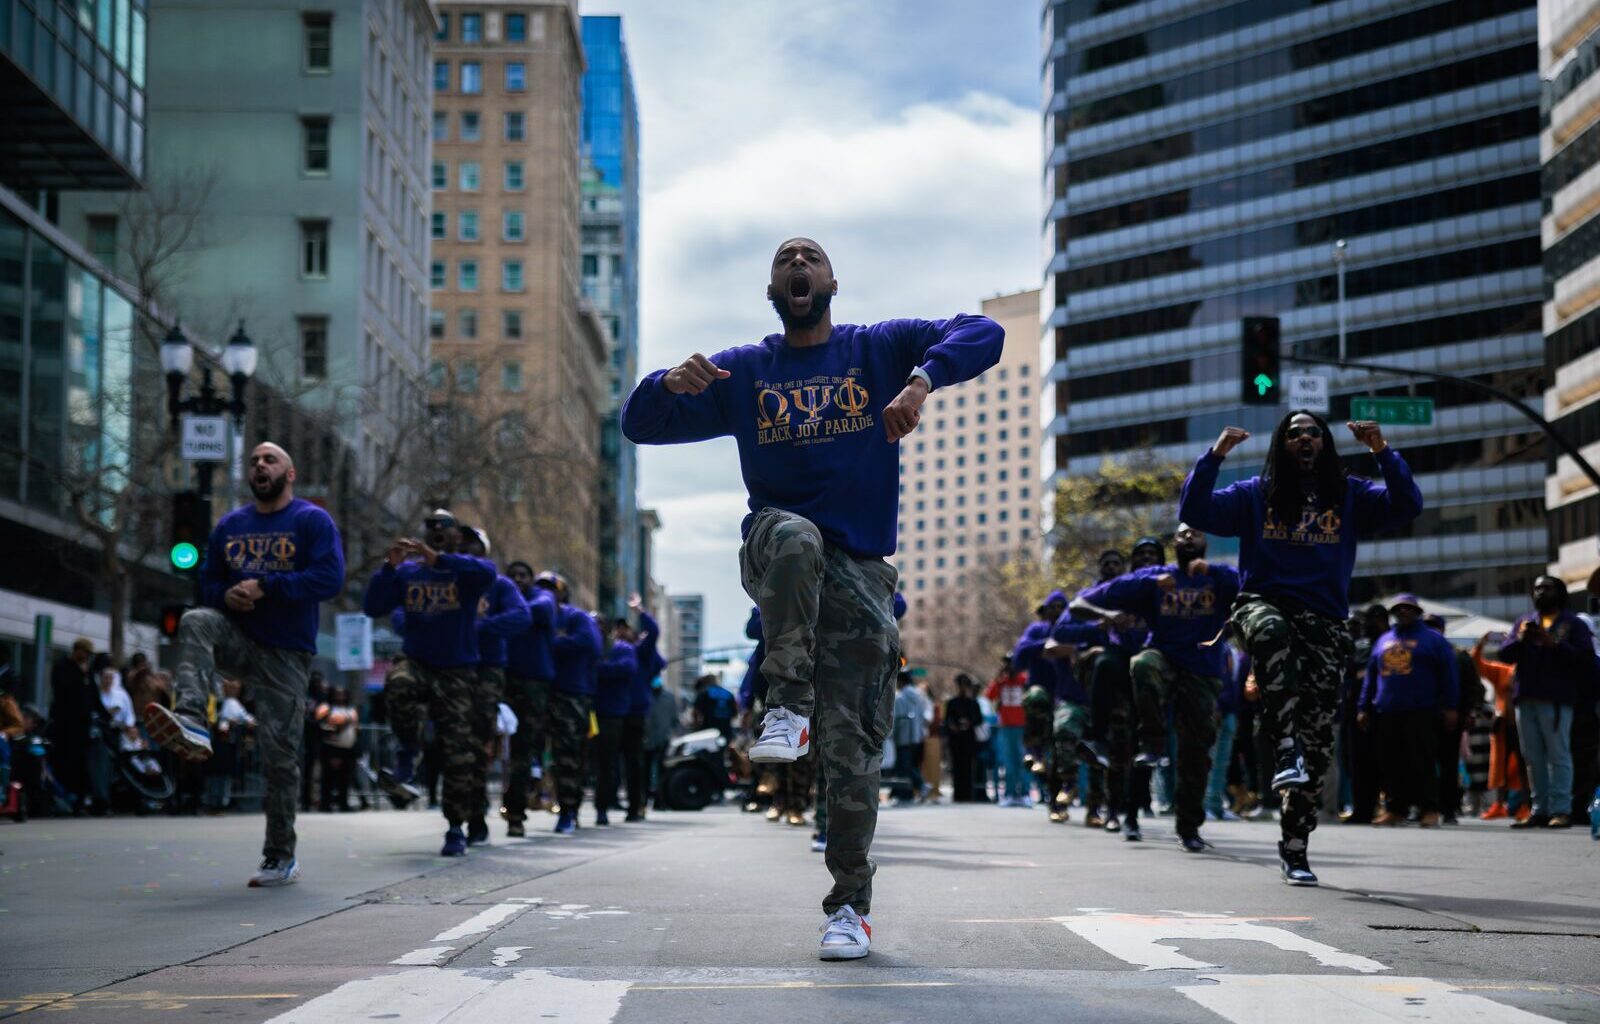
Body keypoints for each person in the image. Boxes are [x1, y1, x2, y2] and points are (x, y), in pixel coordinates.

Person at [621, 235, 1002, 960]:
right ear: (772, 288)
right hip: (778, 544)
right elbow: (640, 426)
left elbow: (984, 333)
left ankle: (850, 909)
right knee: (796, 536)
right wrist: (666, 384)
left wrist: (922, 382)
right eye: (784, 259)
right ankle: (786, 703)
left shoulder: (878, 348)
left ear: (832, 280)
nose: (797, 264)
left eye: (811, 257)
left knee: (854, 753)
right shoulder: (746, 371)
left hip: (861, 572)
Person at [1179, 412, 1422, 886]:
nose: (1304, 439)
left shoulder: (1349, 493)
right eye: (1293, 433)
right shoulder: (1254, 493)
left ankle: (1295, 847)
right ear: (1281, 446)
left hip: (1326, 622)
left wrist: (1381, 449)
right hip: (1262, 604)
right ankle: (1283, 743)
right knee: (1269, 632)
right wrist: (1215, 456)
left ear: (1325, 444)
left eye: (1312, 432)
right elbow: (1195, 509)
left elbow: (1407, 503)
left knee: (1318, 744)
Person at [144, 442, 345, 887]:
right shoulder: (231, 525)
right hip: (237, 637)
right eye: (254, 460)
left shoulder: (311, 520)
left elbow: (330, 578)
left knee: (279, 757)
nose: (260, 465)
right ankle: (193, 718)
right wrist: (225, 595)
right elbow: (208, 581)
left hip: (286, 651)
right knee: (197, 619)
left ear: (289, 473)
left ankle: (279, 856)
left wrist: (267, 587)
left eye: (270, 459)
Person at [362, 508, 495, 855]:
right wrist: (389, 566)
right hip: (418, 661)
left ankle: (455, 826)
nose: (437, 532)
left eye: (445, 528)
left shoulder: (465, 570)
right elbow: (373, 606)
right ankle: (409, 748)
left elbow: (487, 573)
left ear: (457, 538)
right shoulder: (409, 572)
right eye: (431, 528)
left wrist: (439, 559)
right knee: (399, 683)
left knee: (458, 753)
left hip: (457, 671)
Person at [1498, 576, 1596, 829]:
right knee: (1533, 757)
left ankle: (1561, 809)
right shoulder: (1524, 622)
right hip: (1525, 698)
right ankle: (1539, 809)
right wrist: (1520, 639)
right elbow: (1504, 654)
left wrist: (1553, 643)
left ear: (1559, 593)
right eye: (1537, 588)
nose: (1541, 592)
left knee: (1558, 755)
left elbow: (1584, 659)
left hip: (1555, 700)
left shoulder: (1572, 624)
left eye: (1547, 588)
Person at [1357, 595, 1458, 828]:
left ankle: (1429, 808)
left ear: (1417, 611)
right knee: (1392, 763)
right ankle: (1395, 809)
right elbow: (1370, 678)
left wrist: (1451, 707)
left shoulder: (1433, 640)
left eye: (1408, 608)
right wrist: (1363, 707)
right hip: (1388, 710)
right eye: (1398, 609)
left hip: (1421, 710)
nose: (1403, 612)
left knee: (1422, 761)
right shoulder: (1384, 640)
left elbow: (1448, 675)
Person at [459, 526, 531, 844]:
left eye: (474, 546)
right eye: (463, 545)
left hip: (486, 670)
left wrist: (479, 628)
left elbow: (521, 616)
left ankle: (475, 817)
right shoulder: (446, 580)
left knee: (476, 744)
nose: (467, 550)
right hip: (451, 667)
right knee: (452, 744)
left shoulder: (499, 585)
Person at [502, 562, 558, 837]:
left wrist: (503, 615)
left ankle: (515, 814)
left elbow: (543, 609)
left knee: (523, 752)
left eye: (523, 576)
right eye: (512, 576)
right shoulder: (500, 595)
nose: (517, 580)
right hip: (500, 680)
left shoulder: (542, 598)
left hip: (533, 686)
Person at [548, 576, 602, 835]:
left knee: (569, 757)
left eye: (551, 590)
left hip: (571, 696)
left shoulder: (576, 618)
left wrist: (554, 642)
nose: (545, 595)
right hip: (538, 691)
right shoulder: (534, 613)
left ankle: (569, 810)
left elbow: (592, 644)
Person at [1429, 612, 1482, 824]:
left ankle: (1449, 808)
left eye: (1434, 625)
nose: (1431, 630)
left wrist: (1470, 712)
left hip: (1452, 717)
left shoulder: (1458, 655)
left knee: (1449, 764)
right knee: (1425, 764)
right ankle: (1427, 806)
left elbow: (1473, 687)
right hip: (1425, 717)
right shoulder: (1420, 653)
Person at [1472, 632, 1528, 821]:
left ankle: (1526, 805)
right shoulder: (1502, 670)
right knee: (1500, 767)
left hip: (1524, 725)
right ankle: (1499, 805)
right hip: (1504, 726)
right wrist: (1481, 643)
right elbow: (1477, 663)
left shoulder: (1531, 668)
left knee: (1524, 766)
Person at [1341, 604, 1388, 824]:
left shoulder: (1386, 643)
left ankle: (1380, 806)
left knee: (1378, 760)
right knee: (1356, 761)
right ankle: (1363, 808)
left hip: (1378, 707)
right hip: (1356, 707)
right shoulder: (1352, 645)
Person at [592, 616, 639, 827]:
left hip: (613, 713)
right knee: (597, 763)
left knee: (611, 763)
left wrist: (599, 669)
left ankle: (612, 807)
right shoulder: (589, 647)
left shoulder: (621, 648)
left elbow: (627, 668)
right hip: (590, 710)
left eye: (599, 625)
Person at [621, 594, 664, 822]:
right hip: (612, 711)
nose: (621, 633)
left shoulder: (640, 652)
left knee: (634, 760)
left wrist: (640, 610)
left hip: (635, 712)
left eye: (625, 629)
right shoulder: (612, 651)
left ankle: (636, 805)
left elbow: (654, 631)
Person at [48, 638, 96, 810]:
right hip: (65, 723)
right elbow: (62, 690)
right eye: (85, 653)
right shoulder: (63, 666)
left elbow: (93, 695)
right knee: (64, 759)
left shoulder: (87, 671)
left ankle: (80, 799)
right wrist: (80, 674)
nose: (87, 657)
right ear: (77, 650)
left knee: (81, 762)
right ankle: (63, 797)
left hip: (83, 725)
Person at [985, 657, 1030, 807]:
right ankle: (1010, 794)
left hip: (1022, 725)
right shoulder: (1001, 682)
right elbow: (989, 695)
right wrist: (998, 678)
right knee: (1008, 761)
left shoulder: (1023, 680)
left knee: (1022, 760)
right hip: (1005, 726)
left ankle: (1024, 793)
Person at [890, 671, 931, 805]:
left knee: (904, 766)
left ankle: (912, 791)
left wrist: (892, 735)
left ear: (901, 682)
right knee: (910, 765)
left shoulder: (900, 697)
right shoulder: (918, 696)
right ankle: (918, 787)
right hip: (916, 736)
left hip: (903, 736)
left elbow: (896, 719)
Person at [314, 686, 357, 812]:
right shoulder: (326, 708)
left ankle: (343, 804)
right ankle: (325, 804)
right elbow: (321, 726)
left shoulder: (350, 709)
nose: (340, 696)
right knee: (328, 778)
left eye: (343, 694)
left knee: (345, 778)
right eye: (338, 694)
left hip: (348, 749)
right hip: (331, 748)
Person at [944, 674, 983, 803]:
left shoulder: (973, 703)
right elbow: (947, 720)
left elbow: (979, 719)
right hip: (955, 740)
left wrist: (969, 723)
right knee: (956, 767)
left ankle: (968, 793)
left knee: (968, 767)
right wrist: (952, 726)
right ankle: (958, 793)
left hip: (968, 739)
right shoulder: (952, 703)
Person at [692, 674, 738, 741]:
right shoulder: (728, 693)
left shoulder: (704, 692)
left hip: (709, 730)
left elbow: (696, 712)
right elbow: (735, 713)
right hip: (726, 730)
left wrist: (696, 727)